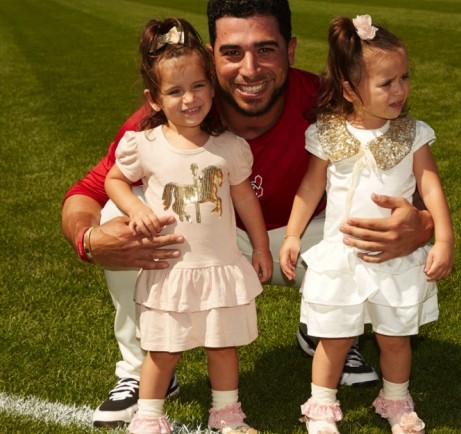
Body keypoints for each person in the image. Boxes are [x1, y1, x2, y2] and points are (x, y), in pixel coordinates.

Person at [61, 0, 434, 428]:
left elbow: (409, 168)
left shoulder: (331, 103)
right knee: (118, 216)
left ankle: (330, 331)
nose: (250, 68)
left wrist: (421, 224)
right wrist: (89, 239)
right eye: (233, 52)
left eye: (266, 49)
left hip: (308, 235)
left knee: (367, 224)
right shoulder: (173, 109)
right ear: (211, 55)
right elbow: (86, 193)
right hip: (207, 240)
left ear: (291, 51)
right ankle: (140, 367)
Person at [279, 15, 454, 434]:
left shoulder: (412, 134)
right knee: (335, 337)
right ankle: (320, 406)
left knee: (396, 336)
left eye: (404, 78)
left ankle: (395, 400)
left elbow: (431, 189)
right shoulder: (329, 133)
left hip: (396, 256)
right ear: (350, 90)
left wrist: (443, 239)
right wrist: (291, 234)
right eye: (387, 83)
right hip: (345, 256)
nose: (400, 90)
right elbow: (310, 186)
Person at [104, 18, 272, 434]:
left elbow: (245, 197)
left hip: (220, 265)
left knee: (222, 346)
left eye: (198, 86)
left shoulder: (229, 148)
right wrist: (133, 208)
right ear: (155, 99)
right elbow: (113, 179)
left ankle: (227, 415)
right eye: (175, 91)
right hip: (171, 270)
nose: (189, 99)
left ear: (212, 88)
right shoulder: (145, 144)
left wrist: (262, 247)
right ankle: (148, 416)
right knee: (163, 349)